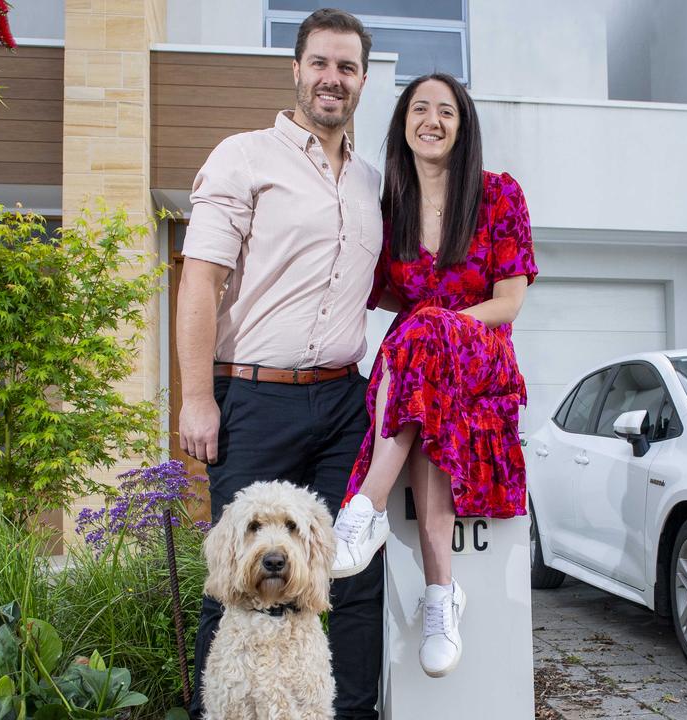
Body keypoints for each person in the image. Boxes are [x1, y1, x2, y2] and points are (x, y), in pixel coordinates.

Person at [175, 9, 384, 719]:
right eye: (320, 63)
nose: (333, 78)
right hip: (254, 399)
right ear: (296, 70)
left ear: (362, 80)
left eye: (347, 67)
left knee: (352, 576)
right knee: (234, 579)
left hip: (343, 405)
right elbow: (199, 279)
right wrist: (196, 398)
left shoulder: (371, 183)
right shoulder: (244, 156)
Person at [328, 72, 537, 678]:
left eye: (447, 111)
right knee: (423, 398)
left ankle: (362, 510)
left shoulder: (499, 194)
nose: (433, 120)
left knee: (420, 335)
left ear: (463, 126)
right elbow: (379, 292)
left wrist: (437, 325)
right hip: (426, 375)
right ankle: (441, 594)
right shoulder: (391, 208)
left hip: (484, 356)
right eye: (420, 108)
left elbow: (508, 303)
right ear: (403, 125)